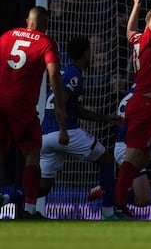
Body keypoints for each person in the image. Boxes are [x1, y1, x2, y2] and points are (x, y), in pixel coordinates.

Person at [38, 36, 123, 219]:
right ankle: (108, 212)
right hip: (64, 131)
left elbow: (75, 109)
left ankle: (8, 198)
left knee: (43, 187)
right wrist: (63, 129)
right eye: (91, 51)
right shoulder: (74, 74)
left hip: (46, 134)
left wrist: (106, 118)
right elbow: (63, 101)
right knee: (107, 160)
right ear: (86, 53)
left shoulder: (66, 72)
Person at [0, 6, 67, 219]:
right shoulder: (46, 42)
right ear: (45, 24)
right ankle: (29, 211)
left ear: (27, 20)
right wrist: (59, 104)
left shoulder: (7, 36)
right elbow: (54, 73)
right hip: (21, 106)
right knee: (31, 153)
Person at [113, 0, 151, 219]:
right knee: (134, 156)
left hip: (147, 103)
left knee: (143, 157)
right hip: (144, 102)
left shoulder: (137, 40)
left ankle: (114, 193)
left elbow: (129, 30)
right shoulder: (149, 37)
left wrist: (136, 3)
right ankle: (116, 203)